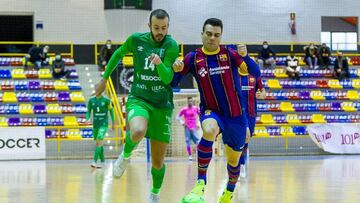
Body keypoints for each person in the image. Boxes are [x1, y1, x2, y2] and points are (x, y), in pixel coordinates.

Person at [93, 9, 179, 203]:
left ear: (168, 27)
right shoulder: (136, 40)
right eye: (156, 27)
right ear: (149, 26)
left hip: (162, 105)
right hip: (139, 97)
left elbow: (167, 78)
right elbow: (117, 54)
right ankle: (125, 155)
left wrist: (158, 63)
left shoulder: (171, 45)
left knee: (158, 162)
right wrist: (104, 78)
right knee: (138, 129)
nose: (160, 32)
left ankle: (154, 194)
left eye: (163, 28)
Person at [172, 18, 260, 203]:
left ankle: (228, 193)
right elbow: (173, 82)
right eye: (209, 34)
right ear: (202, 34)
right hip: (211, 111)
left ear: (220, 37)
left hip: (236, 116)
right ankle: (199, 185)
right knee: (209, 129)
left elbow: (255, 73)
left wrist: (245, 56)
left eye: (216, 35)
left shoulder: (230, 54)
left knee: (233, 160)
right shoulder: (193, 58)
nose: (212, 38)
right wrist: (175, 69)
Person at [238, 66, 266, 178]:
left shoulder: (255, 76)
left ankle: (241, 162)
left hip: (251, 114)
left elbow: (263, 92)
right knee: (240, 138)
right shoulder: (233, 75)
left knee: (246, 139)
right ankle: (240, 164)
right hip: (237, 114)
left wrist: (262, 95)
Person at [86, 88, 115, 169]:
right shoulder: (91, 100)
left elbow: (111, 111)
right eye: (95, 88)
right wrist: (87, 118)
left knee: (99, 141)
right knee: (99, 143)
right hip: (95, 125)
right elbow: (88, 111)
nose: (96, 90)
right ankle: (102, 162)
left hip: (104, 124)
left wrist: (113, 122)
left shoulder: (106, 100)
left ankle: (94, 161)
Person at [176, 96, 201, 161]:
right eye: (189, 101)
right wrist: (182, 122)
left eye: (191, 101)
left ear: (192, 101)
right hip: (187, 128)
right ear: (187, 101)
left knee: (197, 141)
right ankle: (190, 156)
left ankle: (199, 154)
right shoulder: (184, 109)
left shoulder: (196, 108)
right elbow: (177, 117)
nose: (190, 102)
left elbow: (201, 115)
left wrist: (198, 123)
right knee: (187, 141)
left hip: (194, 128)